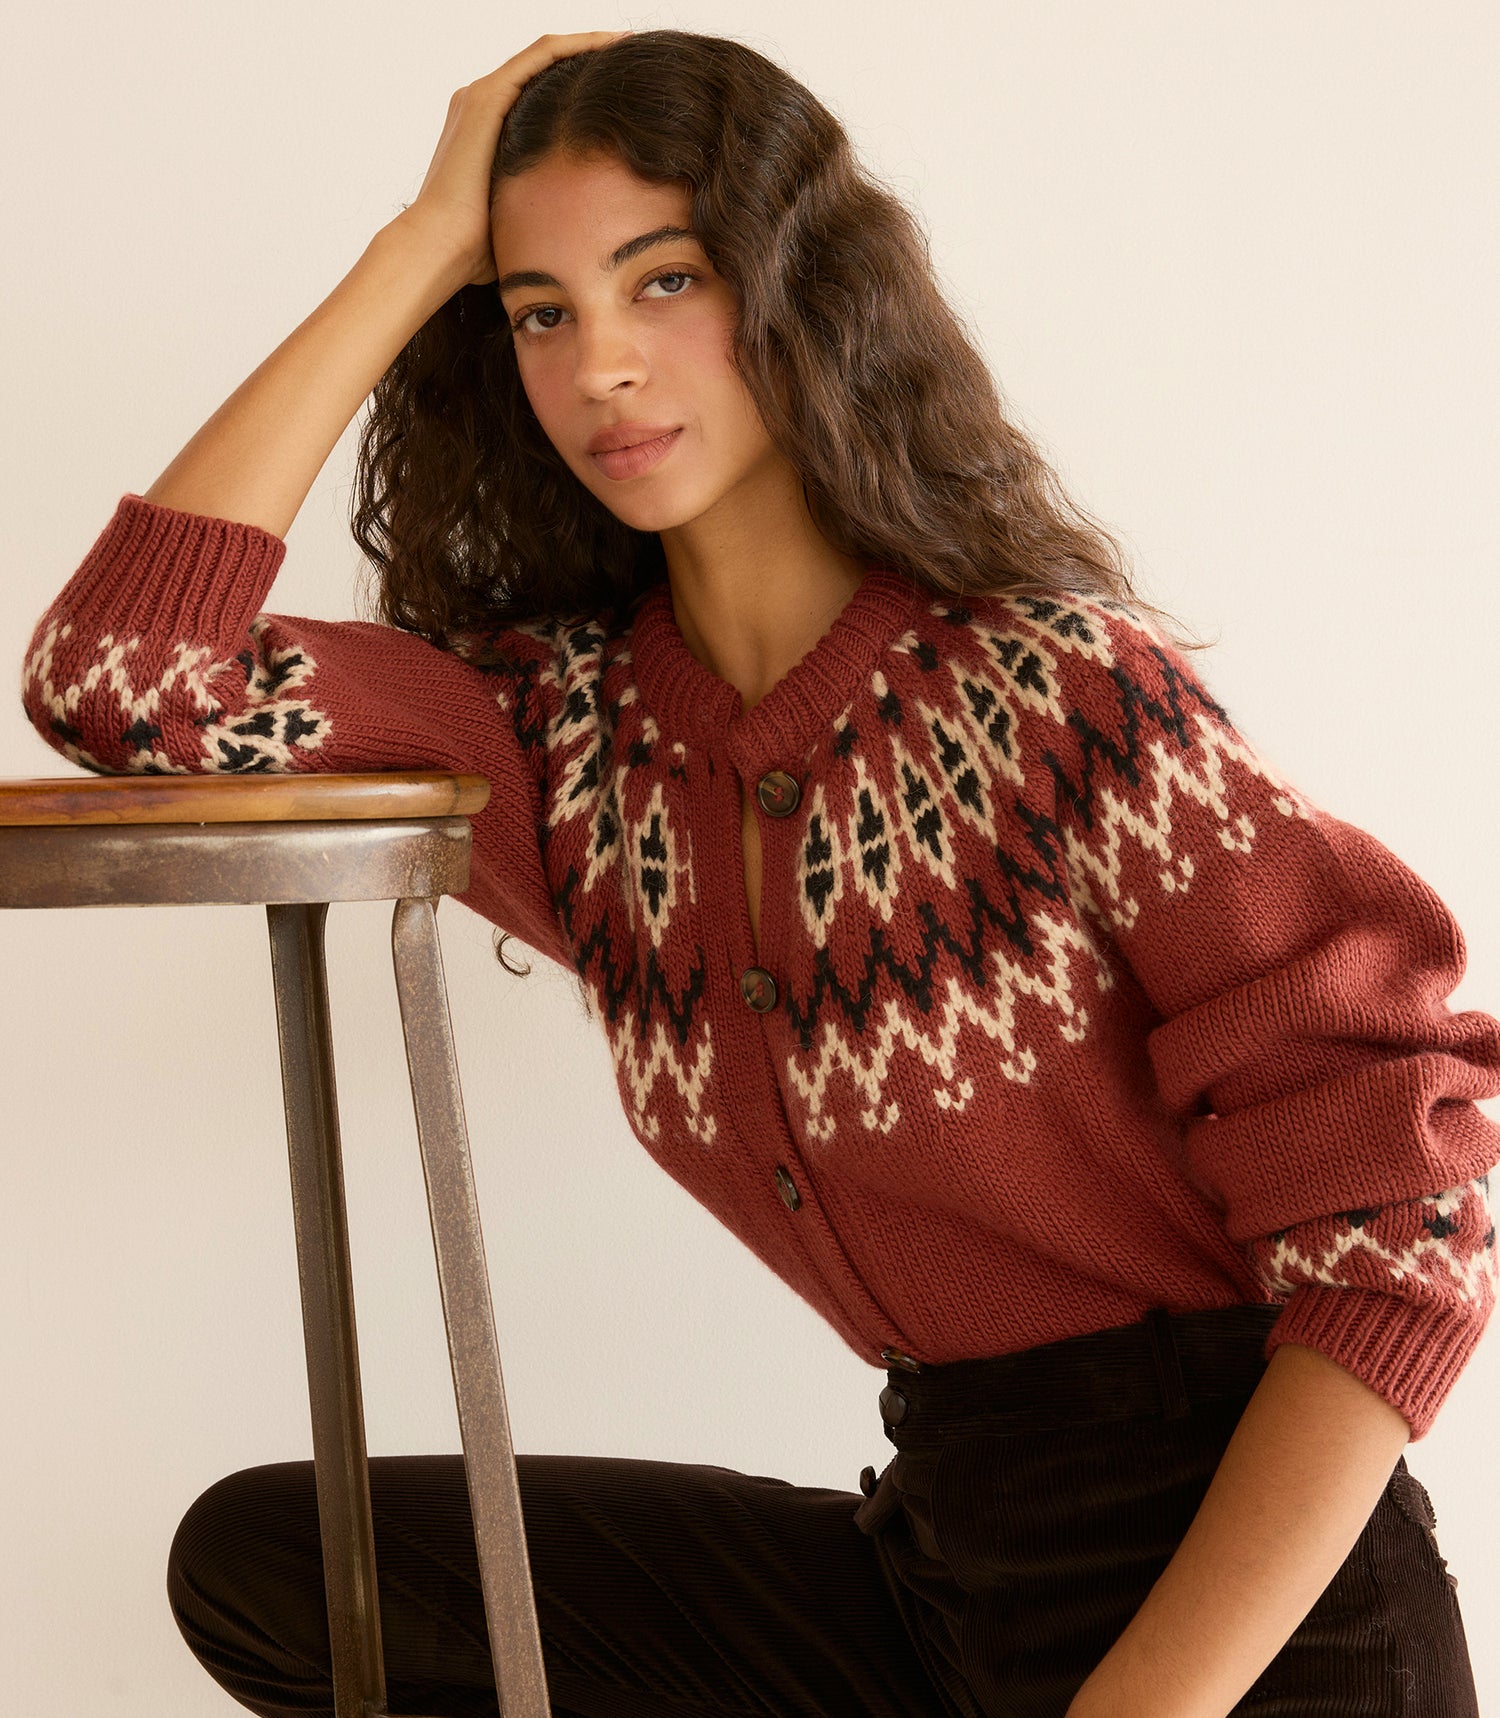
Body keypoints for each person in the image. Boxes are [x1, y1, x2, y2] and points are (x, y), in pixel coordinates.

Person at [19, 27, 1499, 1718]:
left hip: (1261, 1606)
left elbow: (1402, 1225)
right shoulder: (563, 746)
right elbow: (121, 675)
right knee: (292, 1564)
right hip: (940, 1565)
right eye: (540, 311)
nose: (601, 365)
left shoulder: (1054, 696)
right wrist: (418, 248)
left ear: (801, 292)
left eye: (665, 281)